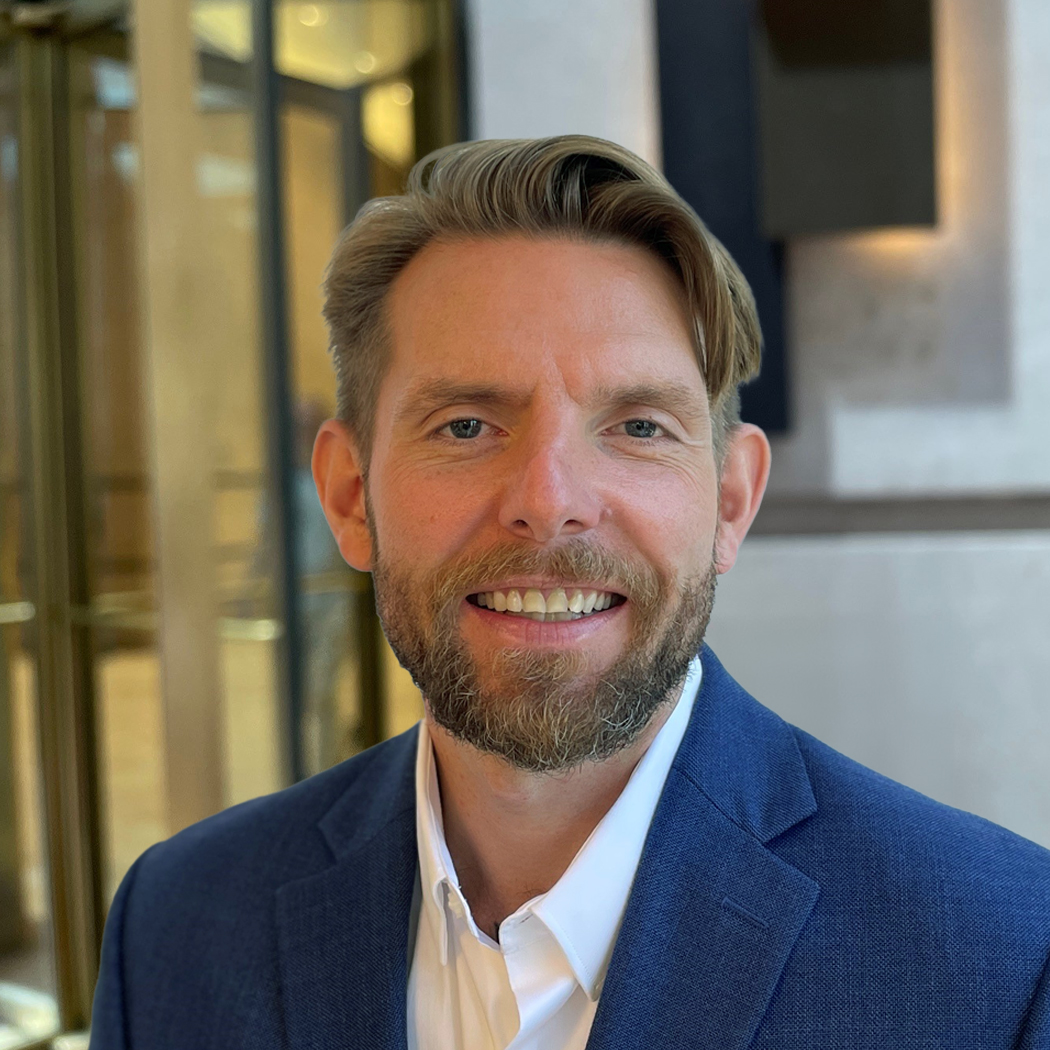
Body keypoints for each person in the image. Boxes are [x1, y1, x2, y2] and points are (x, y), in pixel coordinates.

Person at [89, 136, 1050, 1049]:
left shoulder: (1000, 961)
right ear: (350, 496)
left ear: (729, 501)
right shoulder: (178, 928)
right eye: (465, 426)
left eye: (637, 427)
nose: (549, 504)